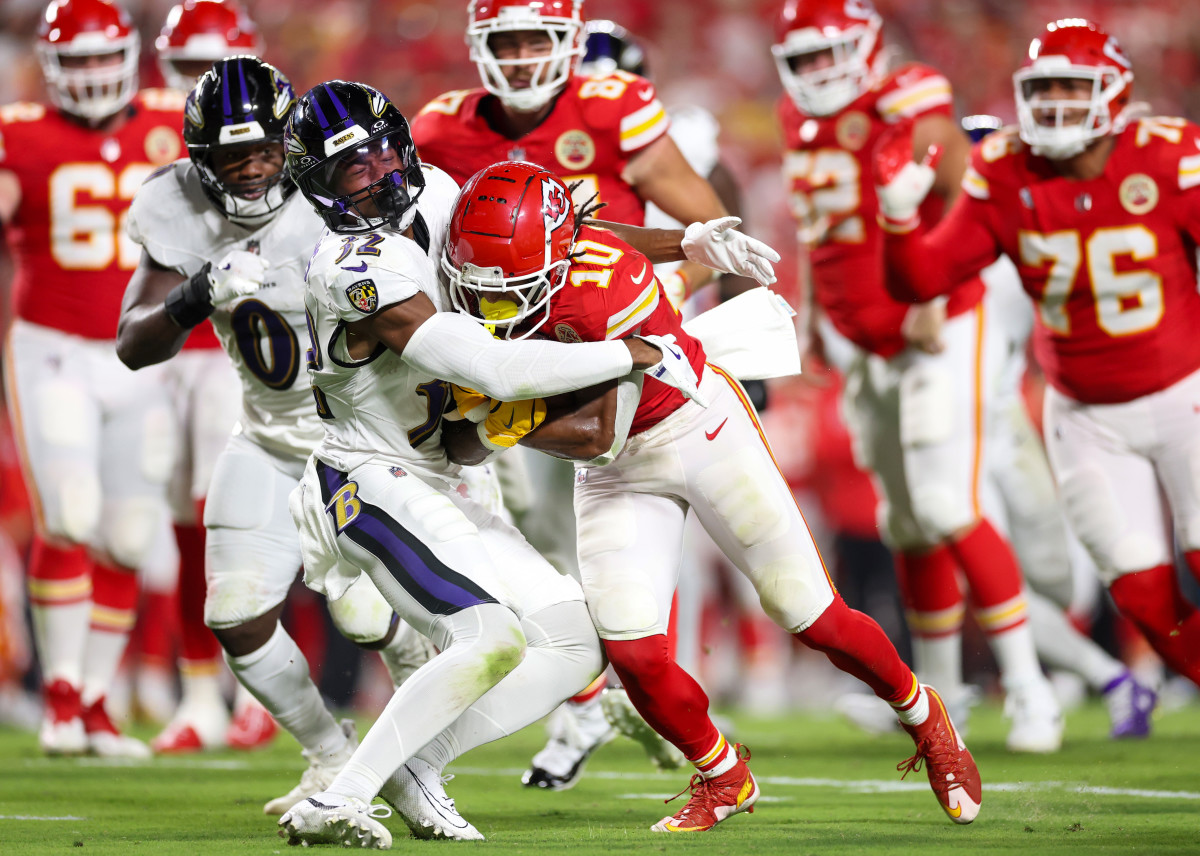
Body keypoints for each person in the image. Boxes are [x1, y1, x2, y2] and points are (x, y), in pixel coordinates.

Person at [440, 159, 982, 833]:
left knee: (809, 614)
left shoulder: (602, 293)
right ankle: (724, 776)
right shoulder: (516, 258)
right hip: (618, 468)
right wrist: (683, 241)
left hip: (692, 426)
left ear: (557, 261)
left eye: (514, 289)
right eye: (482, 291)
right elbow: (594, 228)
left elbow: (595, 432)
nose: (498, 309)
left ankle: (925, 716)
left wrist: (497, 414)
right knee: (634, 653)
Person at [273, 79, 736, 847]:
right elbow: (494, 371)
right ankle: (340, 798)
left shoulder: (443, 196)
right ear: (321, 189)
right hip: (369, 474)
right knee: (489, 636)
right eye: (353, 170)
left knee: (574, 639)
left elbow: (560, 234)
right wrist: (633, 352)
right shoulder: (349, 265)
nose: (381, 176)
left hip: (449, 468)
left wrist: (686, 245)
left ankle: (419, 765)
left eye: (387, 154)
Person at [410, 0, 750, 789]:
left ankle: (648, 692)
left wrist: (650, 304)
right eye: (506, 41)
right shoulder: (439, 130)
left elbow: (710, 227)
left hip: (610, 350)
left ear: (567, 43)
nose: (524, 57)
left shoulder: (611, 106)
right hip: (507, 360)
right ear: (478, 47)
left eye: (536, 39)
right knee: (539, 531)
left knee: (636, 522)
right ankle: (593, 696)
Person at [116, 58, 436, 814]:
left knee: (386, 619)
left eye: (266, 150)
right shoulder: (176, 206)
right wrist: (195, 294)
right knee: (233, 612)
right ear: (204, 163)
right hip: (265, 435)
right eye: (236, 158)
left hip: (367, 436)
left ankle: (422, 759)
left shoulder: (336, 192)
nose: (255, 170)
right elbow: (133, 343)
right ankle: (330, 757)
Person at [876, 18, 1200, 692]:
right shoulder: (1003, 166)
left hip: (1184, 392)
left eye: (1071, 87)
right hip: (1084, 414)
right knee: (1141, 593)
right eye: (1042, 87)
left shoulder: (1170, 155)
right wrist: (899, 222)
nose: (1053, 102)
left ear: (1113, 92)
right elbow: (923, 280)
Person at [772, 0, 1062, 752]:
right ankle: (944, 696)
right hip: (859, 336)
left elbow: (963, 201)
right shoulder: (797, 122)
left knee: (947, 504)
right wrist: (809, 313)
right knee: (904, 522)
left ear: (868, 46)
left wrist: (932, 286)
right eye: (802, 59)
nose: (816, 72)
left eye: (828, 53)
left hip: (937, 325)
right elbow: (819, 228)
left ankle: (1031, 692)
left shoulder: (911, 99)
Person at [0, 0, 186, 758]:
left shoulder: (171, 124)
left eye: (95, 59)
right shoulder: (19, 133)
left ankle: (97, 702)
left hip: (141, 356)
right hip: (52, 349)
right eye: (70, 62)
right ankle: (63, 697)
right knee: (71, 516)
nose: (85, 76)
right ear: (50, 67)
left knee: (132, 534)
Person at [145, 0, 276, 755]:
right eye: (189, 69)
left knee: (238, 518)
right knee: (180, 521)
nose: (201, 84)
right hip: (174, 346)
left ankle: (258, 693)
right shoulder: (145, 135)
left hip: (245, 352)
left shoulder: (274, 133)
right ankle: (200, 693)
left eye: (212, 66)